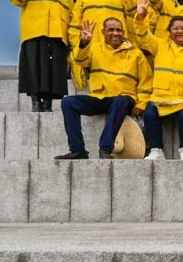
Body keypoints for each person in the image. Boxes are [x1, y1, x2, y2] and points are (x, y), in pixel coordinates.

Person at [56, 17, 152, 159]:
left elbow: (146, 82)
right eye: (111, 30)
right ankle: (77, 149)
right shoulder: (94, 48)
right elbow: (79, 60)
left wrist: (141, 104)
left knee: (120, 101)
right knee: (68, 102)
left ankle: (105, 148)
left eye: (118, 30)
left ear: (123, 32)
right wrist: (84, 43)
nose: (115, 33)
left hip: (123, 99)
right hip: (99, 97)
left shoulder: (136, 54)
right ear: (103, 32)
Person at [133, 0, 183, 160]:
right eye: (175, 29)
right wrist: (140, 17)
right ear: (169, 32)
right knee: (150, 113)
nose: (179, 31)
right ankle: (156, 150)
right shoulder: (160, 45)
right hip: (161, 97)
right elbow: (143, 36)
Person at [9, 0, 75, 112]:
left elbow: (71, 13)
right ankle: (35, 101)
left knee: (53, 72)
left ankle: (48, 103)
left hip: (57, 35)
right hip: (34, 34)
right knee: (34, 69)